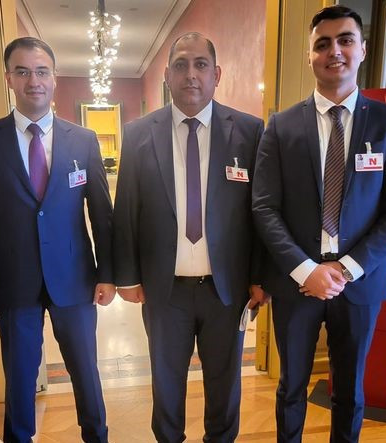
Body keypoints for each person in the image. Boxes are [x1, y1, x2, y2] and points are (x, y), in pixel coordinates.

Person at [252, 5, 386, 442]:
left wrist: (344, 269)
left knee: (350, 392)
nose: (334, 51)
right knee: (291, 388)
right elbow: (264, 208)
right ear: (310, 56)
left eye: (345, 40)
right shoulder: (281, 127)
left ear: (363, 49)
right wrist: (307, 270)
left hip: (360, 282)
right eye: (322, 44)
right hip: (296, 283)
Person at [0, 37, 115, 443]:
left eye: (42, 71)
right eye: (23, 71)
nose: (34, 81)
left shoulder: (83, 140)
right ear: (8, 78)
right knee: (20, 377)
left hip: (75, 279)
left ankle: (97, 437)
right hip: (13, 281)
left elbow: (101, 214)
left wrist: (108, 273)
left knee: (86, 372)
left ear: (54, 78)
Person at [113, 32, 268, 442]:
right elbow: (126, 209)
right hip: (165, 291)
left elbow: (261, 213)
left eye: (201, 65)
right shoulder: (139, 134)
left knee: (225, 384)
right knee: (166, 384)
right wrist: (127, 276)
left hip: (227, 291)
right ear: (167, 75)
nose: (191, 75)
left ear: (217, 74)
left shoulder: (249, 132)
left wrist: (260, 277)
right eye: (180, 65)